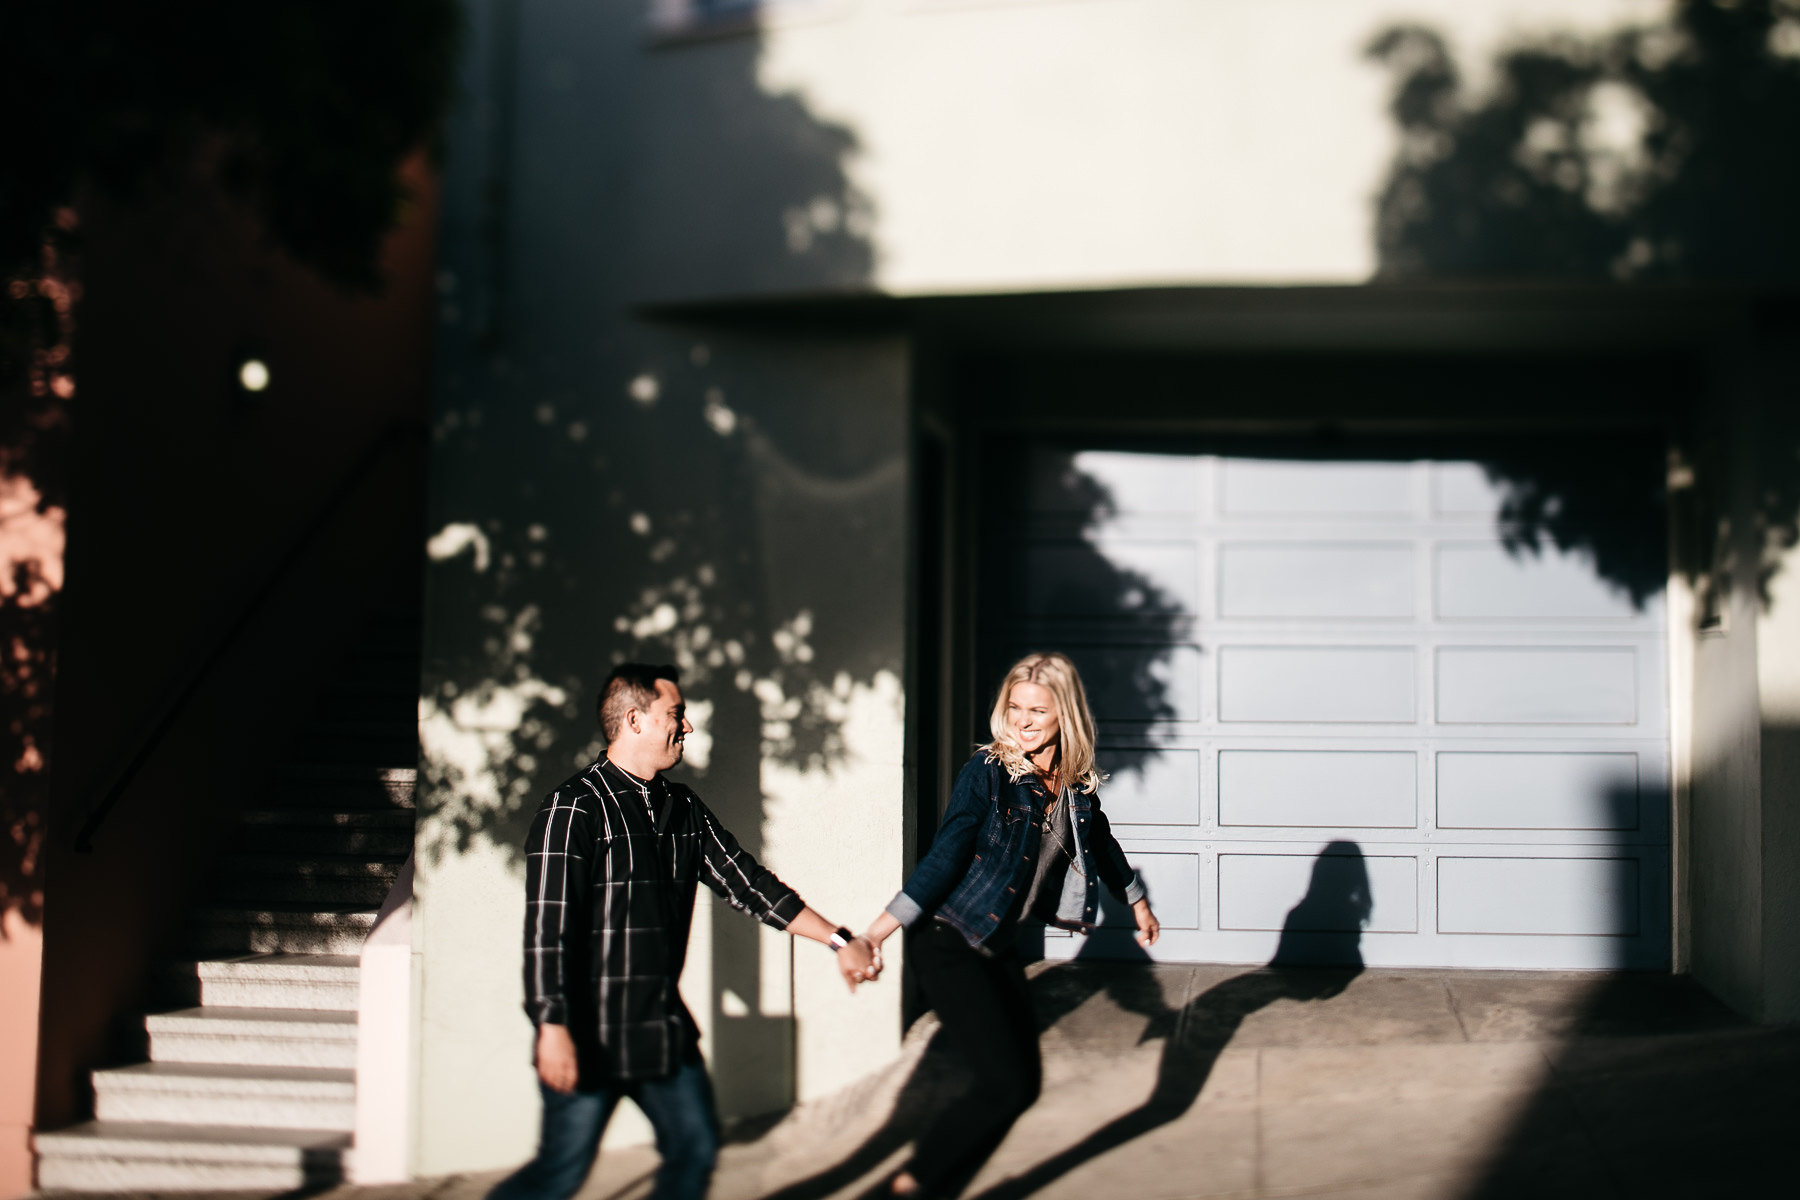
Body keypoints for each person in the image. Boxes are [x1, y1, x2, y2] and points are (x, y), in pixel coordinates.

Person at [490, 662, 879, 1200]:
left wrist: (840, 939)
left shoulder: (682, 808)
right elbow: (547, 930)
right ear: (635, 720)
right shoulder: (573, 808)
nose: (687, 727)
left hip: (661, 1030)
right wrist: (551, 1025)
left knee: (694, 1151)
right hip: (588, 1034)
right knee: (558, 1174)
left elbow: (749, 884)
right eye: (676, 714)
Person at [855, 651, 1160, 1197]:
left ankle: (931, 1184)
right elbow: (945, 856)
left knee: (1021, 1086)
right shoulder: (989, 773)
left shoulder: (1075, 784)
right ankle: (912, 1185)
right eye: (1015, 707)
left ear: (1064, 714)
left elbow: (1103, 844)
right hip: (950, 941)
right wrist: (877, 931)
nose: (1023, 720)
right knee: (1002, 1084)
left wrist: (1136, 901)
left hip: (995, 947)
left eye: (1037, 710)